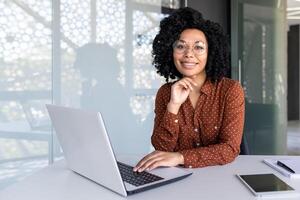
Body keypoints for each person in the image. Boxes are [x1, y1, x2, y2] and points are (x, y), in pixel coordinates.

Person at [133, 7, 245, 172]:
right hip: (177, 178)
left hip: (221, 177)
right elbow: (162, 148)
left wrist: (180, 157)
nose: (188, 54)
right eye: (180, 46)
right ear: (171, 52)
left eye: (198, 47)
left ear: (210, 52)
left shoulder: (230, 90)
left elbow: (229, 149)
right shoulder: (165, 92)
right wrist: (173, 106)